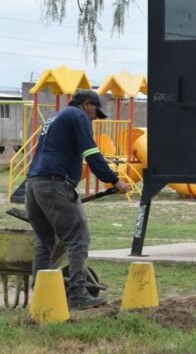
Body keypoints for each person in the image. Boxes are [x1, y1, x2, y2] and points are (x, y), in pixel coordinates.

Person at [26, 89, 131, 310]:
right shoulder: (77, 116)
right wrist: (114, 180)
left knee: (44, 242)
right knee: (78, 238)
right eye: (95, 112)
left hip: (33, 184)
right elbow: (91, 153)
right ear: (86, 104)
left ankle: (41, 296)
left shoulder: (57, 117)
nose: (95, 118)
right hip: (55, 183)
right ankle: (77, 294)